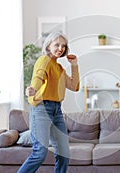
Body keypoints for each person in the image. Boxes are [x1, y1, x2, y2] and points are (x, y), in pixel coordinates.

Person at [18, 32, 79, 173]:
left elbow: (74, 86)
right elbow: (38, 76)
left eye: (63, 46)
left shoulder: (59, 68)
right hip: (42, 108)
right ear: (48, 45)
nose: (61, 48)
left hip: (57, 110)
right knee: (39, 153)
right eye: (57, 44)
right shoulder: (44, 60)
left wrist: (74, 65)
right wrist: (33, 89)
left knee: (64, 154)